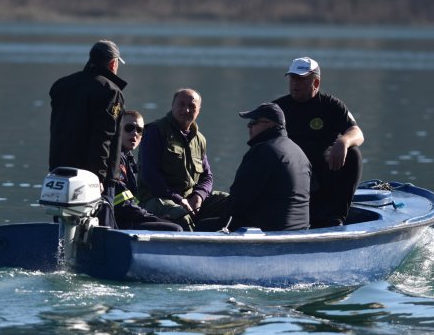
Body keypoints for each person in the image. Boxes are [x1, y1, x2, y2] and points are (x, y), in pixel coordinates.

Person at [274, 57, 364, 228]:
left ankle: (336, 217)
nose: (295, 83)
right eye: (292, 78)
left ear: (315, 82)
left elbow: (357, 133)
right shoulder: (278, 108)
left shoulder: (332, 106)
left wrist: (343, 142)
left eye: (300, 79)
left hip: (323, 175)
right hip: (289, 177)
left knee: (353, 153)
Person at [48, 39, 126, 227]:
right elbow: (104, 138)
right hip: (92, 177)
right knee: (98, 229)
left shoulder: (61, 85)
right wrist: (97, 178)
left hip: (60, 173)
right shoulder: (110, 91)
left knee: (62, 229)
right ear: (113, 63)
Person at [136, 88, 229, 231]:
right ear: (172, 105)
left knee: (232, 202)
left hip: (190, 199)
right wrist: (179, 200)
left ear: (198, 110)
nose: (186, 110)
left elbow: (207, 176)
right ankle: (191, 249)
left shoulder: (199, 139)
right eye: (181, 104)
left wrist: (198, 196)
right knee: (182, 215)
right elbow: (150, 175)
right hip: (156, 199)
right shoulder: (156, 131)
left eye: (192, 106)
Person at [227, 103, 311, 232]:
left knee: (204, 224)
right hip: (300, 230)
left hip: (269, 232)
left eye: (253, 122)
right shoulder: (299, 152)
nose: (248, 126)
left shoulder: (263, 150)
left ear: (270, 124)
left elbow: (238, 201)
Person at [113, 110, 183, 231]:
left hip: (128, 217)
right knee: (176, 229)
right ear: (118, 129)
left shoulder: (127, 158)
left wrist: (154, 217)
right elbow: (122, 205)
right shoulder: (115, 159)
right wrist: (154, 218)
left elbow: (131, 202)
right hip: (118, 222)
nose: (135, 133)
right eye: (129, 128)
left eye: (139, 130)